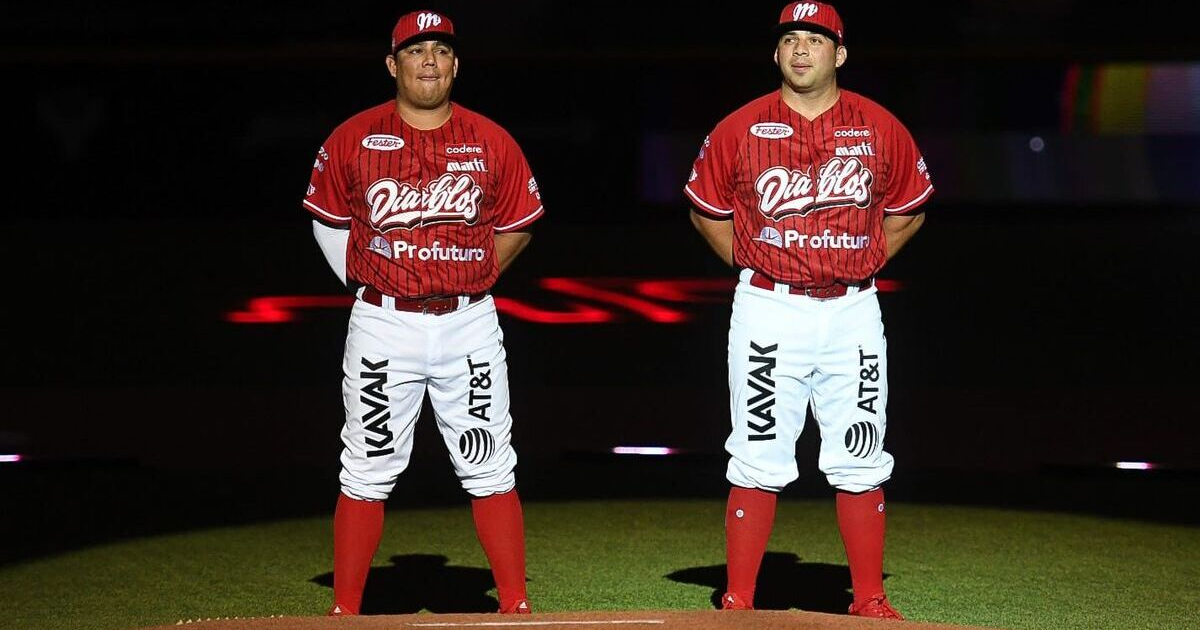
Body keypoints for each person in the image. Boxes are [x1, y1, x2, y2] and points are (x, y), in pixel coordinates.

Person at [684, 1, 933, 620]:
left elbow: (911, 204)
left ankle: (870, 598)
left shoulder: (880, 126)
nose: (801, 50)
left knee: (860, 449)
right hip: (769, 307)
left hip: (852, 311)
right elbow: (704, 208)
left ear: (839, 54)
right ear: (776, 53)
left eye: (815, 40)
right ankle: (739, 596)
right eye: (790, 39)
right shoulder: (740, 126)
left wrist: (870, 255)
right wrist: (752, 262)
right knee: (759, 447)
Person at [302, 9, 543, 616]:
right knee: (367, 463)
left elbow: (517, 224)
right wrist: (369, 285)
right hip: (384, 323)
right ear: (393, 64)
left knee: (490, 461)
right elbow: (327, 220)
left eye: (439, 50)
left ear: (456, 64)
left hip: (469, 322)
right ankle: (347, 610)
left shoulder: (491, 140)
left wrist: (475, 274)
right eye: (415, 51)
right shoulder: (353, 137)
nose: (429, 61)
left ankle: (513, 602)